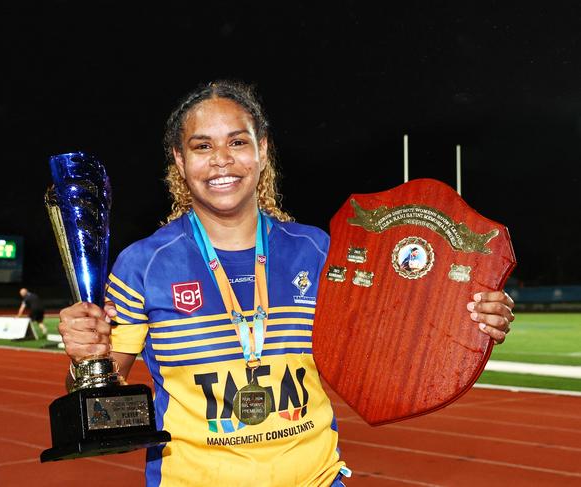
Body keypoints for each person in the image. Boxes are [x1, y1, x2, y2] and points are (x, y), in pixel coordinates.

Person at [57, 80, 515, 486]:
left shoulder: (318, 252)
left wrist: (474, 313)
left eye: (238, 141)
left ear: (263, 150)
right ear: (179, 161)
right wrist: (86, 357)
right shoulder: (142, 265)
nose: (222, 160)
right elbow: (104, 396)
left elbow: (397, 326)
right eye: (202, 146)